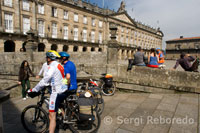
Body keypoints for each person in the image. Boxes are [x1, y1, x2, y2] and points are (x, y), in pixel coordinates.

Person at [28, 50, 68, 133]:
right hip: (63, 90)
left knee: (51, 116)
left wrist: (34, 89)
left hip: (56, 92)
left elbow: (44, 80)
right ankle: (65, 119)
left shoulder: (52, 66)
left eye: (47, 57)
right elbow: (58, 78)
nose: (46, 59)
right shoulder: (60, 65)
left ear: (49, 58)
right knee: (59, 107)